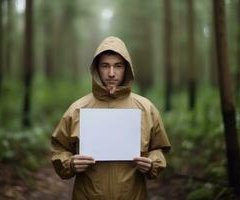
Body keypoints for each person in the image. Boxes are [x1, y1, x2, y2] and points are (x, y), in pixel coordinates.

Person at [50, 36, 171, 200]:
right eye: (105, 66)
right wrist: (70, 163)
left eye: (118, 66)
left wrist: (152, 163)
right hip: (87, 195)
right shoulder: (77, 109)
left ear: (127, 69)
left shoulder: (146, 109)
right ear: (97, 69)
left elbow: (159, 148)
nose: (111, 73)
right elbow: (59, 149)